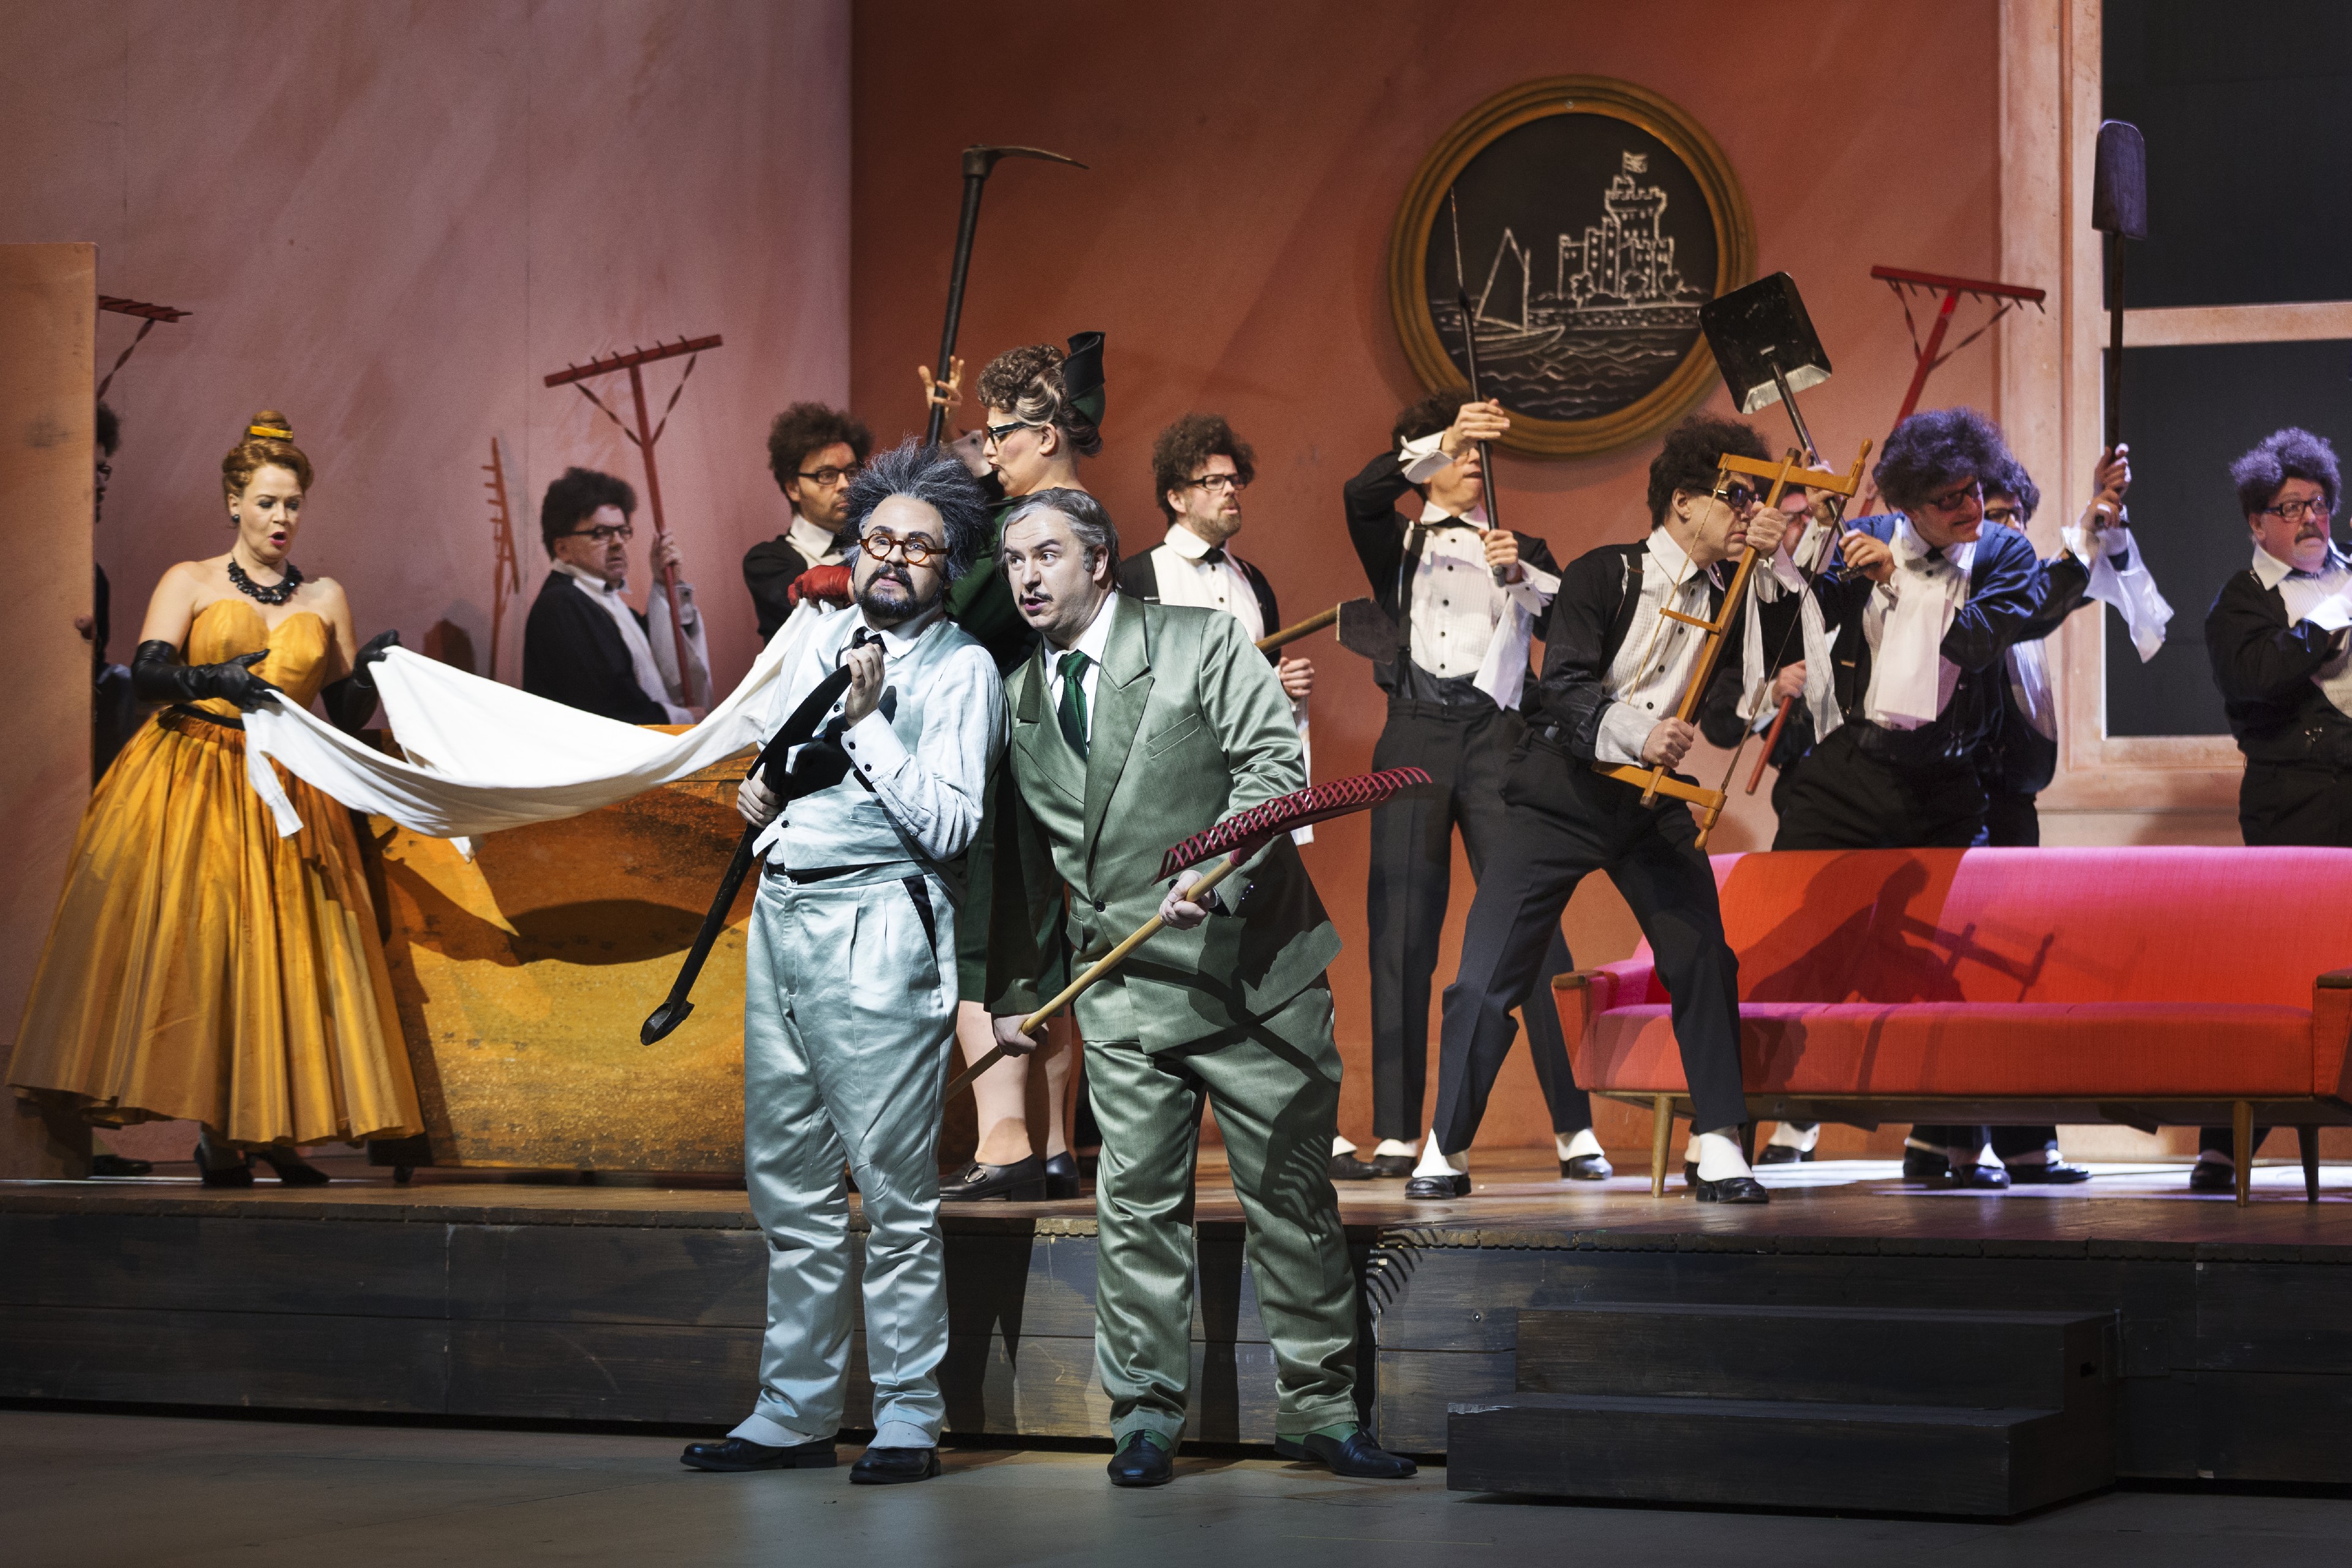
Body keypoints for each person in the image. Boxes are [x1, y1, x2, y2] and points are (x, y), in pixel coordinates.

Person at [983, 488, 1416, 1486]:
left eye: (1047, 555)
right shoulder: (1016, 697)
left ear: (1101, 560)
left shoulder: (1201, 643)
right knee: (1135, 1206)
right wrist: (1018, 987)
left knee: (1291, 1196)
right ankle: (1143, 1417)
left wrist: (1217, 873)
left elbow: (1272, 769)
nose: (1028, 578)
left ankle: (1321, 1411)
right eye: (1014, 562)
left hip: (1253, 973)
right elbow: (1022, 861)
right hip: (1122, 987)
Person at [679, 440, 1003, 1485]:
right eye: (879, 539)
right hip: (784, 915)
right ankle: (795, 1410)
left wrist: (868, 729)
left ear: (950, 566)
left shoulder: (961, 669)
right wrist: (763, 797)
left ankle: (907, 1415)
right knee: (790, 1186)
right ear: (853, 548)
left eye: (920, 546)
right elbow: (784, 758)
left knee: (895, 1192)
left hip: (882, 925)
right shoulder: (820, 635)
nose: (894, 558)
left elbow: (951, 825)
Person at [7, 410, 412, 1185]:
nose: (281, 517)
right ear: (234, 503)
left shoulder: (325, 595)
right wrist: (209, 678)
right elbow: (147, 673)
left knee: (287, 959)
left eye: (292, 504)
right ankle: (220, 1134)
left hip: (289, 785)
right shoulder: (190, 580)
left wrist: (372, 667)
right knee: (209, 954)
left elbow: (344, 709)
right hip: (196, 774)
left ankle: (272, 1129)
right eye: (266, 502)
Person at [1418, 413, 1784, 1205]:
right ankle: (1445, 1144)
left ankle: (1720, 1140)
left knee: (1703, 959)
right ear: (1684, 500)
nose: (1749, 513)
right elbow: (1566, 687)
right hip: (1560, 793)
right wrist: (1640, 733)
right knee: (1487, 975)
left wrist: (1777, 585)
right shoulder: (1603, 574)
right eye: (1737, 496)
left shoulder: (1734, 597)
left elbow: (1732, 709)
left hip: (1651, 809)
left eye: (1755, 500)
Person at [1762, 408, 2039, 1188]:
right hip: (1850, 767)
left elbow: (1972, 642)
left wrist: (1897, 578)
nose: (1972, 506)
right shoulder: (1868, 530)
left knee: (1950, 959)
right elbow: (1794, 614)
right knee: (1787, 934)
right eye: (1950, 499)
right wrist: (1803, 546)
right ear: (1910, 505)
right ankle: (1735, 1122)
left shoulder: (2007, 553)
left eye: (1975, 489)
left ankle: (1957, 1142)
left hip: (1946, 780)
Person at [1345, 392, 1596, 1186]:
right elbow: (1360, 494)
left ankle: (1576, 1127)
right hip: (1415, 732)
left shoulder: (1520, 541)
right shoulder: (1396, 537)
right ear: (1423, 463)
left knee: (1532, 924)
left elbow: (1572, 625)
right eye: (1455, 454)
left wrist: (1524, 574)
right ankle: (1396, 1132)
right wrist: (1444, 434)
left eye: (1474, 452)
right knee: (1402, 930)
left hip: (1501, 738)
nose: (1471, 464)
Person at [1118, 414, 1373, 1180]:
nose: (1231, 493)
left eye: (1236, 480)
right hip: (1174, 800)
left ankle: (1305, 1123)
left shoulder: (1251, 579)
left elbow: (1256, 700)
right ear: (1175, 494)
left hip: (1250, 795)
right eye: (1214, 482)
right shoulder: (1137, 579)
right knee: (1179, 954)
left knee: (1278, 954)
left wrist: (1280, 685)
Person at [938, 335, 1106, 1203]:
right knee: (1044, 945)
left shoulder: (1031, 529)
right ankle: (1052, 1146)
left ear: (1045, 435)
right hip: (1066, 749)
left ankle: (1006, 1142)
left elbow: (951, 611)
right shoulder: (1086, 519)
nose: (989, 449)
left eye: (1000, 432)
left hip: (1012, 752)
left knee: (993, 940)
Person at [2201, 427, 2349, 1194]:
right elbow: (2254, 678)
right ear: (2258, 522)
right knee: (2281, 969)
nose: (2310, 518)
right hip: (2294, 798)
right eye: (2290, 508)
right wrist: (2323, 625)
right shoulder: (2240, 601)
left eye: (2318, 503)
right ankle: (2227, 1145)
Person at [521, 466, 711, 723]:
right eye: (600, 534)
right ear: (563, 549)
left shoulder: (604, 602)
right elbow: (605, 705)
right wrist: (681, 718)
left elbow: (662, 662)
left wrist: (664, 583)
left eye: (622, 531)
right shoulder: (561, 607)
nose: (618, 543)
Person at [742, 402, 872, 639]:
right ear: (793, 487)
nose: (845, 485)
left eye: (852, 472)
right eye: (827, 475)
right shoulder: (766, 561)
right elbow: (815, 619)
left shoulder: (874, 542)